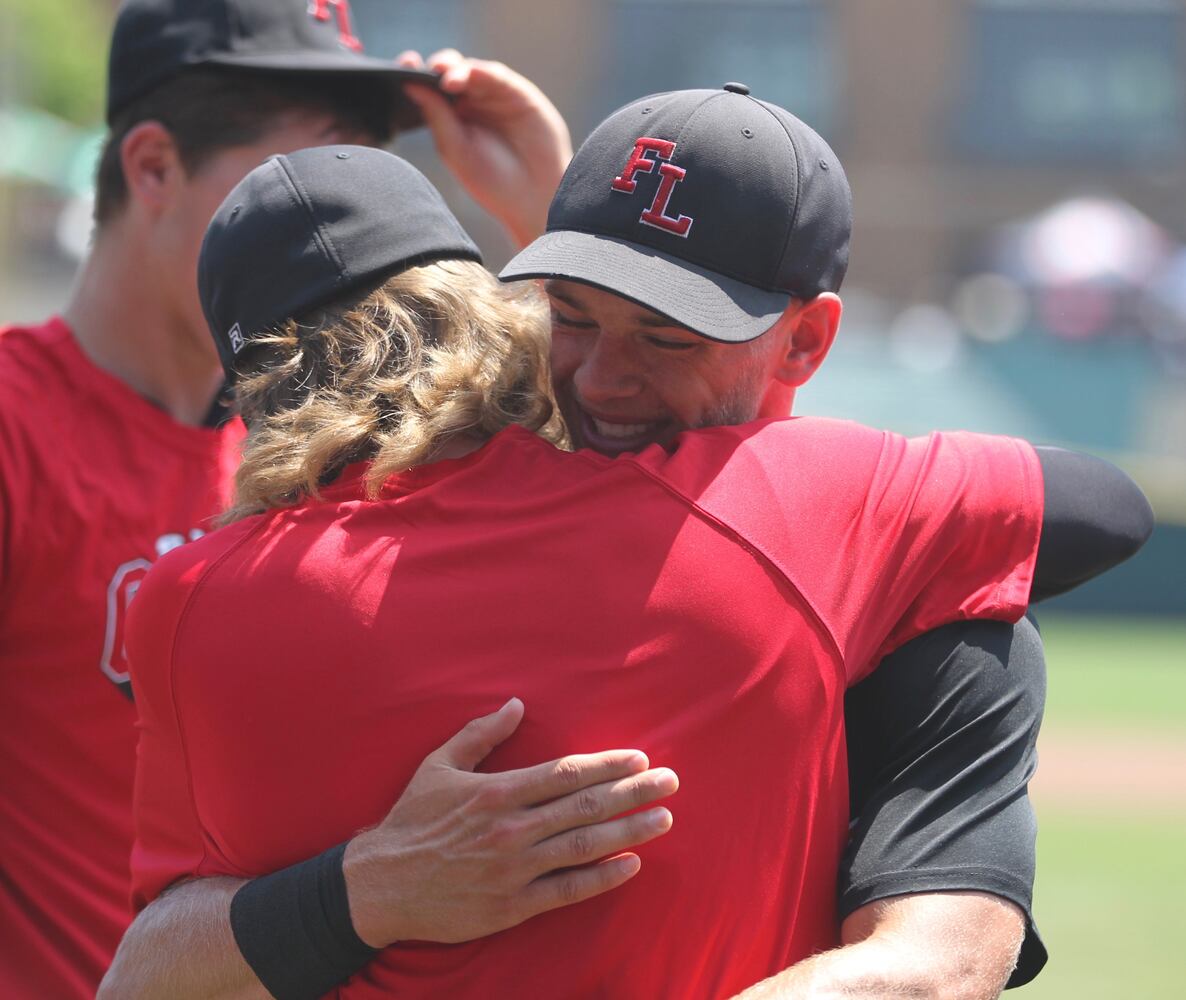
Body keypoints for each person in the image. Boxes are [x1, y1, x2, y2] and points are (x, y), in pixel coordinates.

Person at [98, 82, 1154, 1000]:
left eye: (666, 335)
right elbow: (1101, 507)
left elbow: (934, 963)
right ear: (499, 315)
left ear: (808, 338)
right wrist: (365, 886)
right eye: (569, 315)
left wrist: (359, 894)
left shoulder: (192, 596)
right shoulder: (814, 507)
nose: (603, 379)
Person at [0, 3, 660, 997]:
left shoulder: (367, 434)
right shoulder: (16, 428)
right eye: (298, 175)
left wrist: (553, 226)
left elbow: (705, 505)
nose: (335, 213)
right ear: (151, 168)